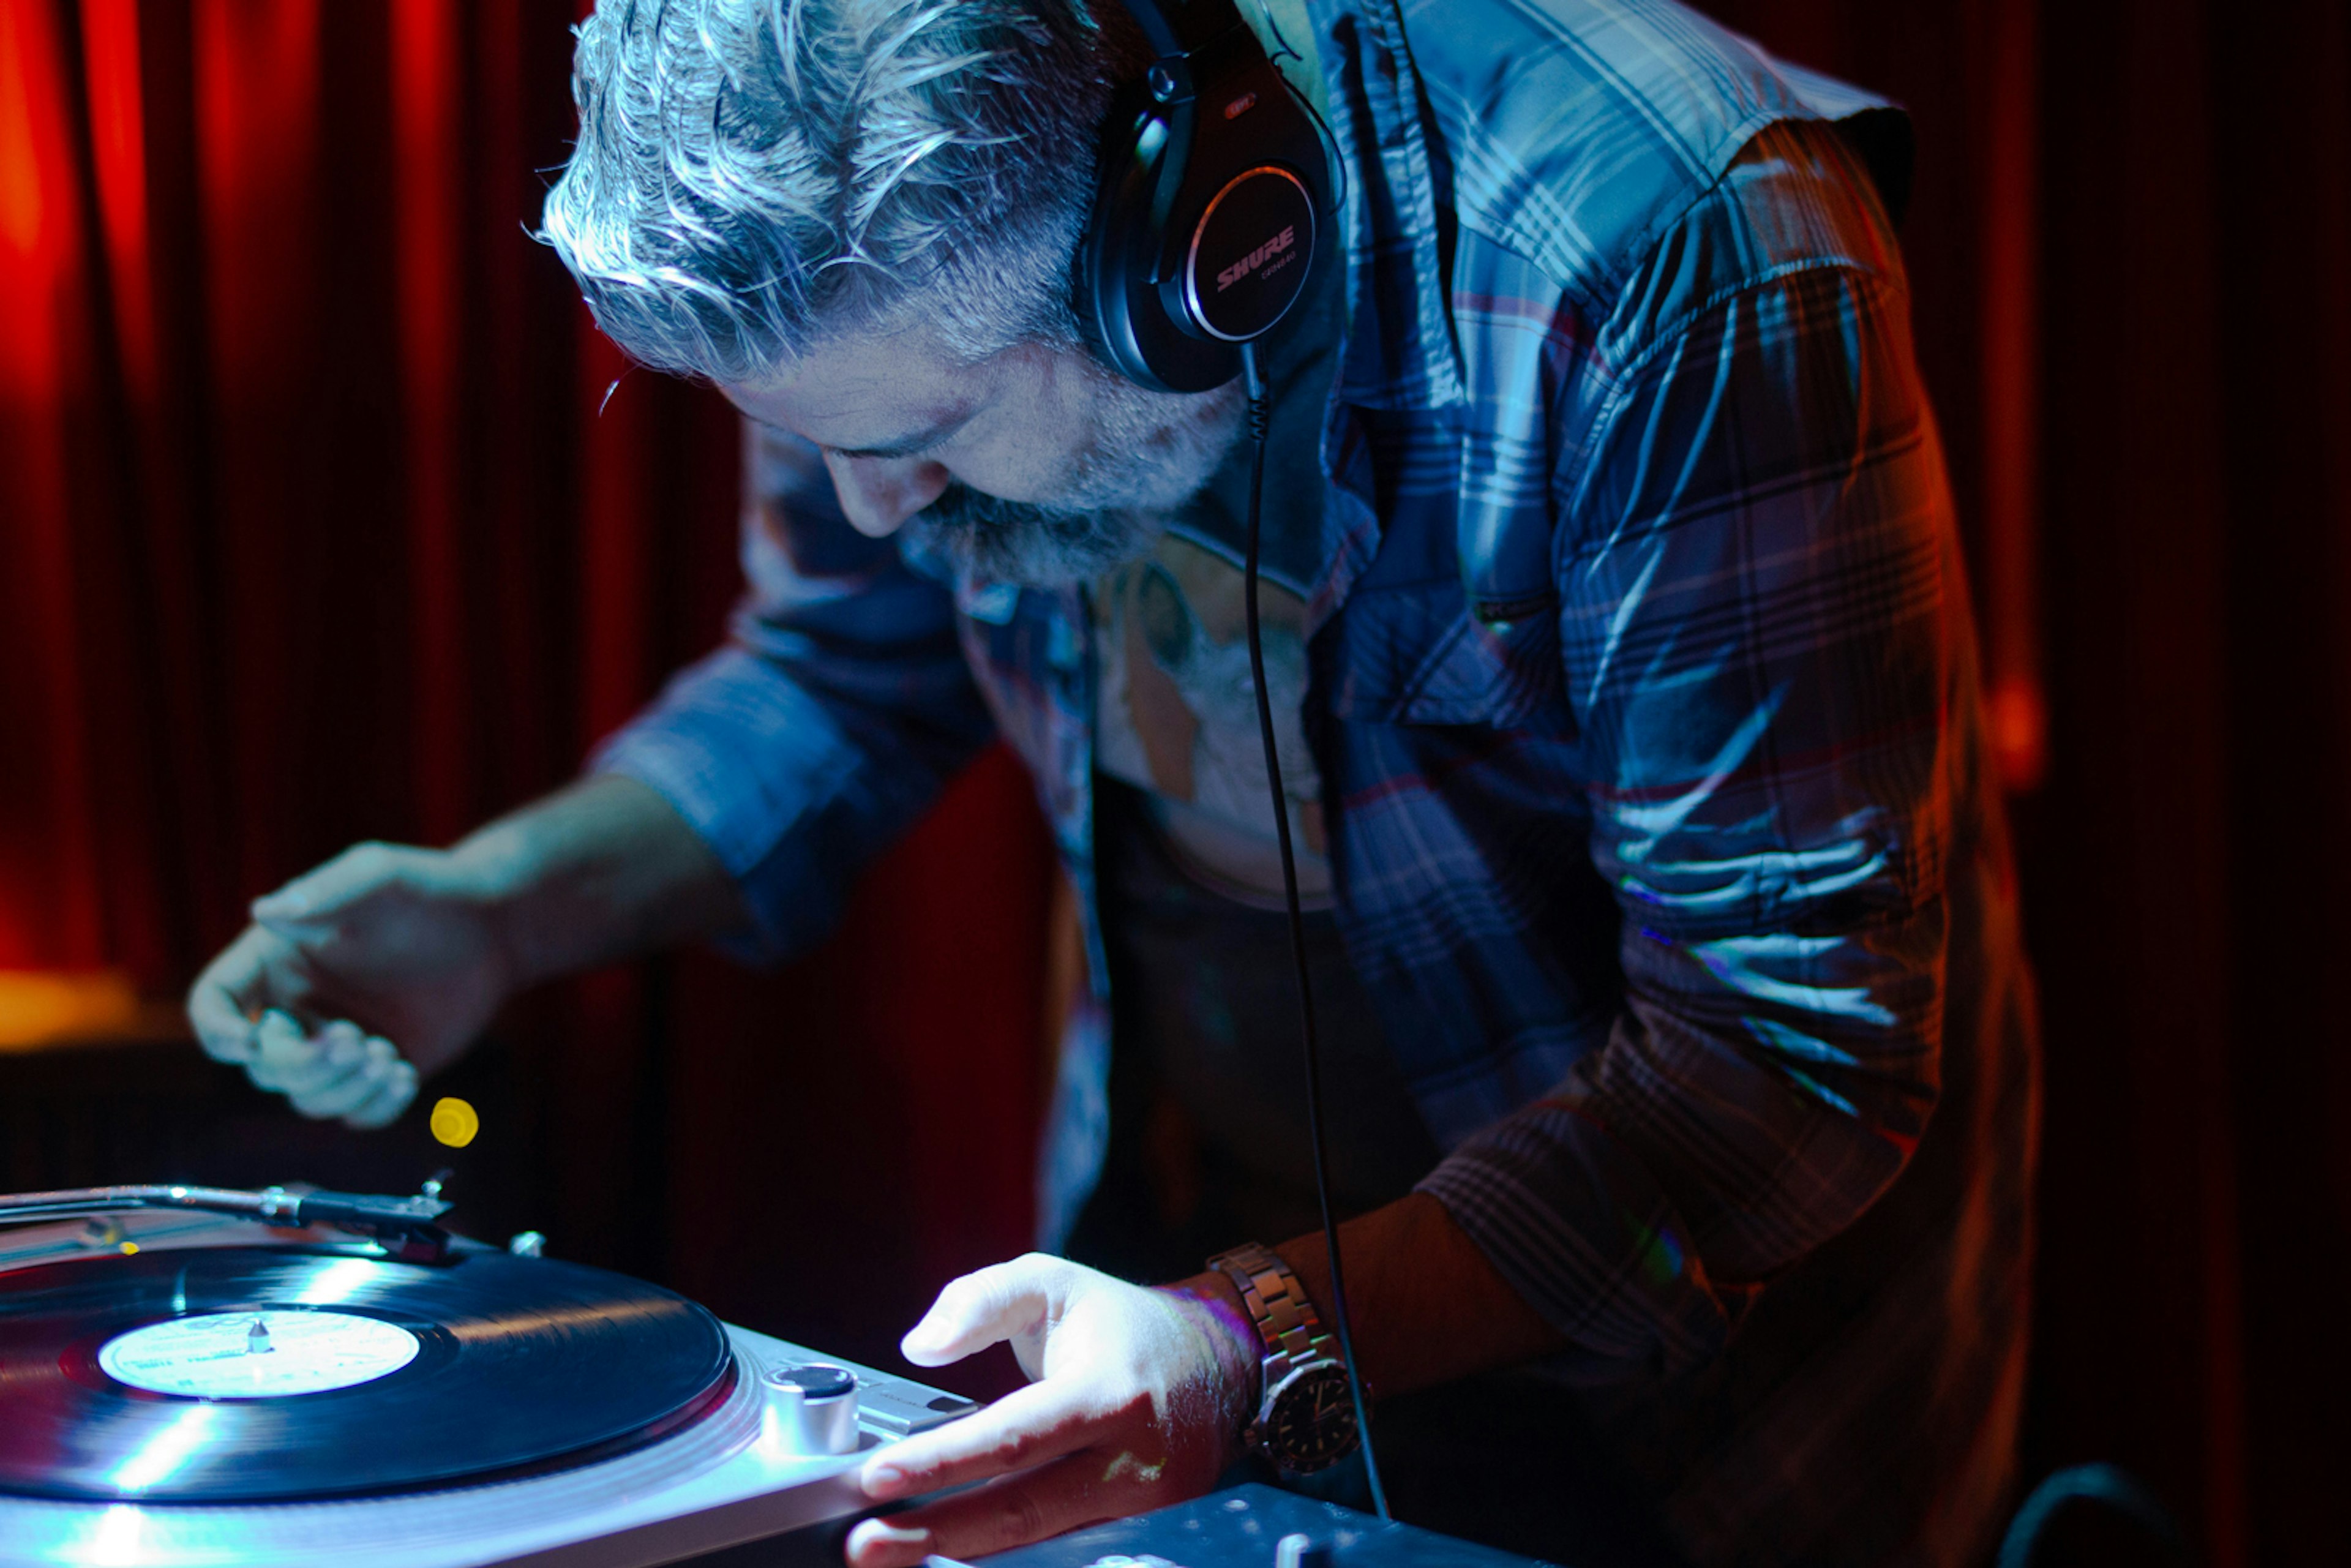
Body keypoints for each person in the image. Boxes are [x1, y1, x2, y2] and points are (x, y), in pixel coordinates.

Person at [186, 2, 2039, 1564]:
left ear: (1186, 250)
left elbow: (1780, 1068)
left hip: (1699, 1398)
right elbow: (845, 666)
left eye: (912, 440)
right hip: (1176, 1276)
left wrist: (1257, 1340)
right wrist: (501, 905)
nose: (869, 509)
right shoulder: (877, 280)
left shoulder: (1669, 244)